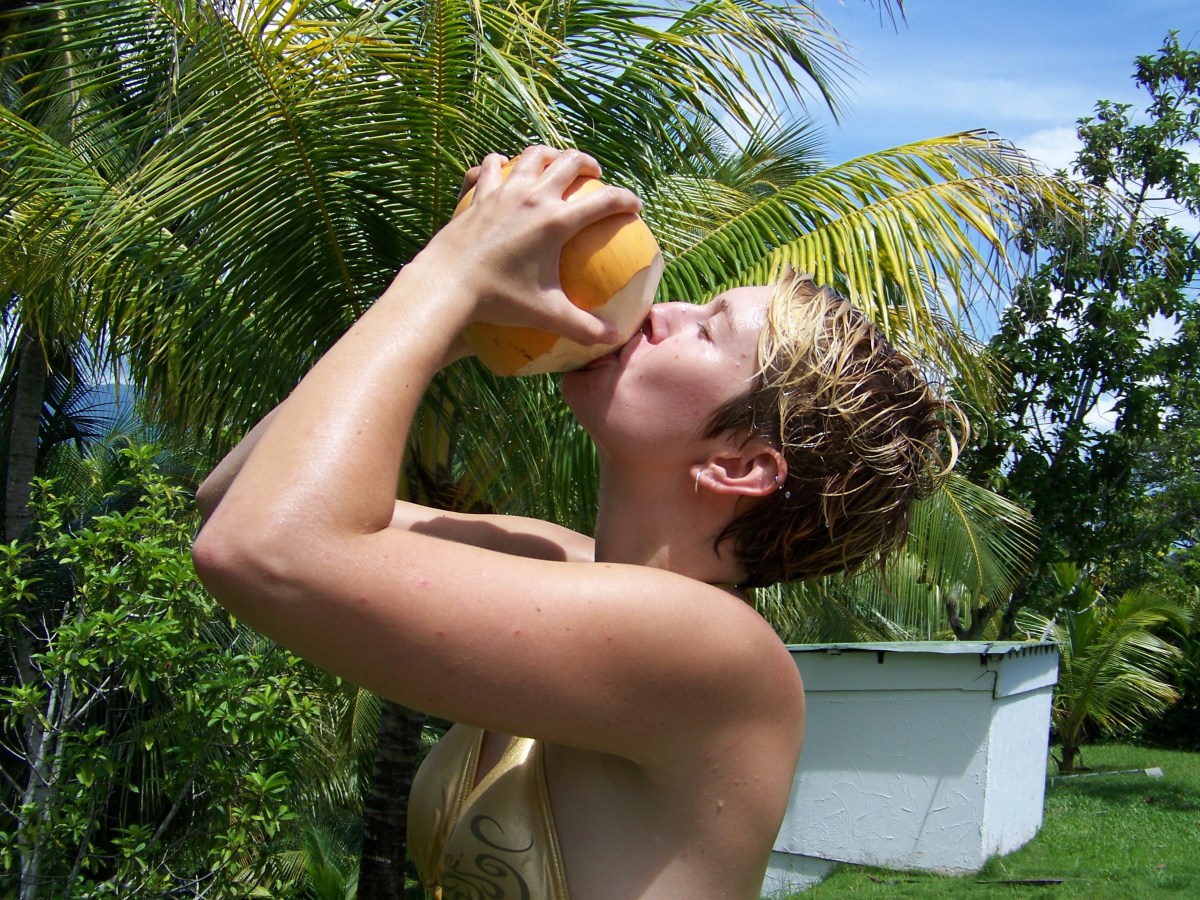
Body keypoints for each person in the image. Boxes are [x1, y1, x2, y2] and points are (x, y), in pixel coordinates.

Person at [193, 146, 959, 899]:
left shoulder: (719, 655)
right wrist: (465, 320)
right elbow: (237, 498)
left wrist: (448, 276)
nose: (660, 312)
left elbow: (262, 548)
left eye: (706, 329)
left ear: (740, 464)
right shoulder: (554, 560)